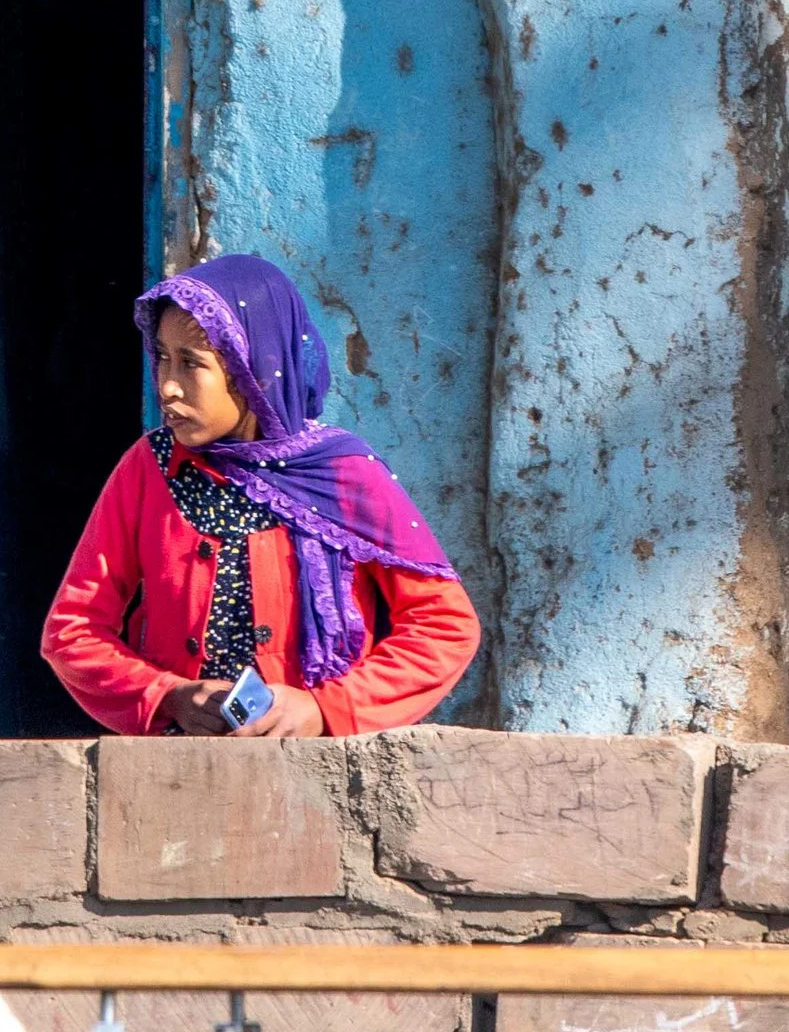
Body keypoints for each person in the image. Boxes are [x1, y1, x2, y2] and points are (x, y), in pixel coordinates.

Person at [41, 253, 480, 736]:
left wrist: (324, 709)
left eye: (191, 363)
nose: (167, 386)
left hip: (320, 774)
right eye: (162, 357)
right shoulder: (150, 469)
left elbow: (444, 628)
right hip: (175, 769)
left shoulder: (342, 474)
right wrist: (167, 694)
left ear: (253, 368)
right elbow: (72, 631)